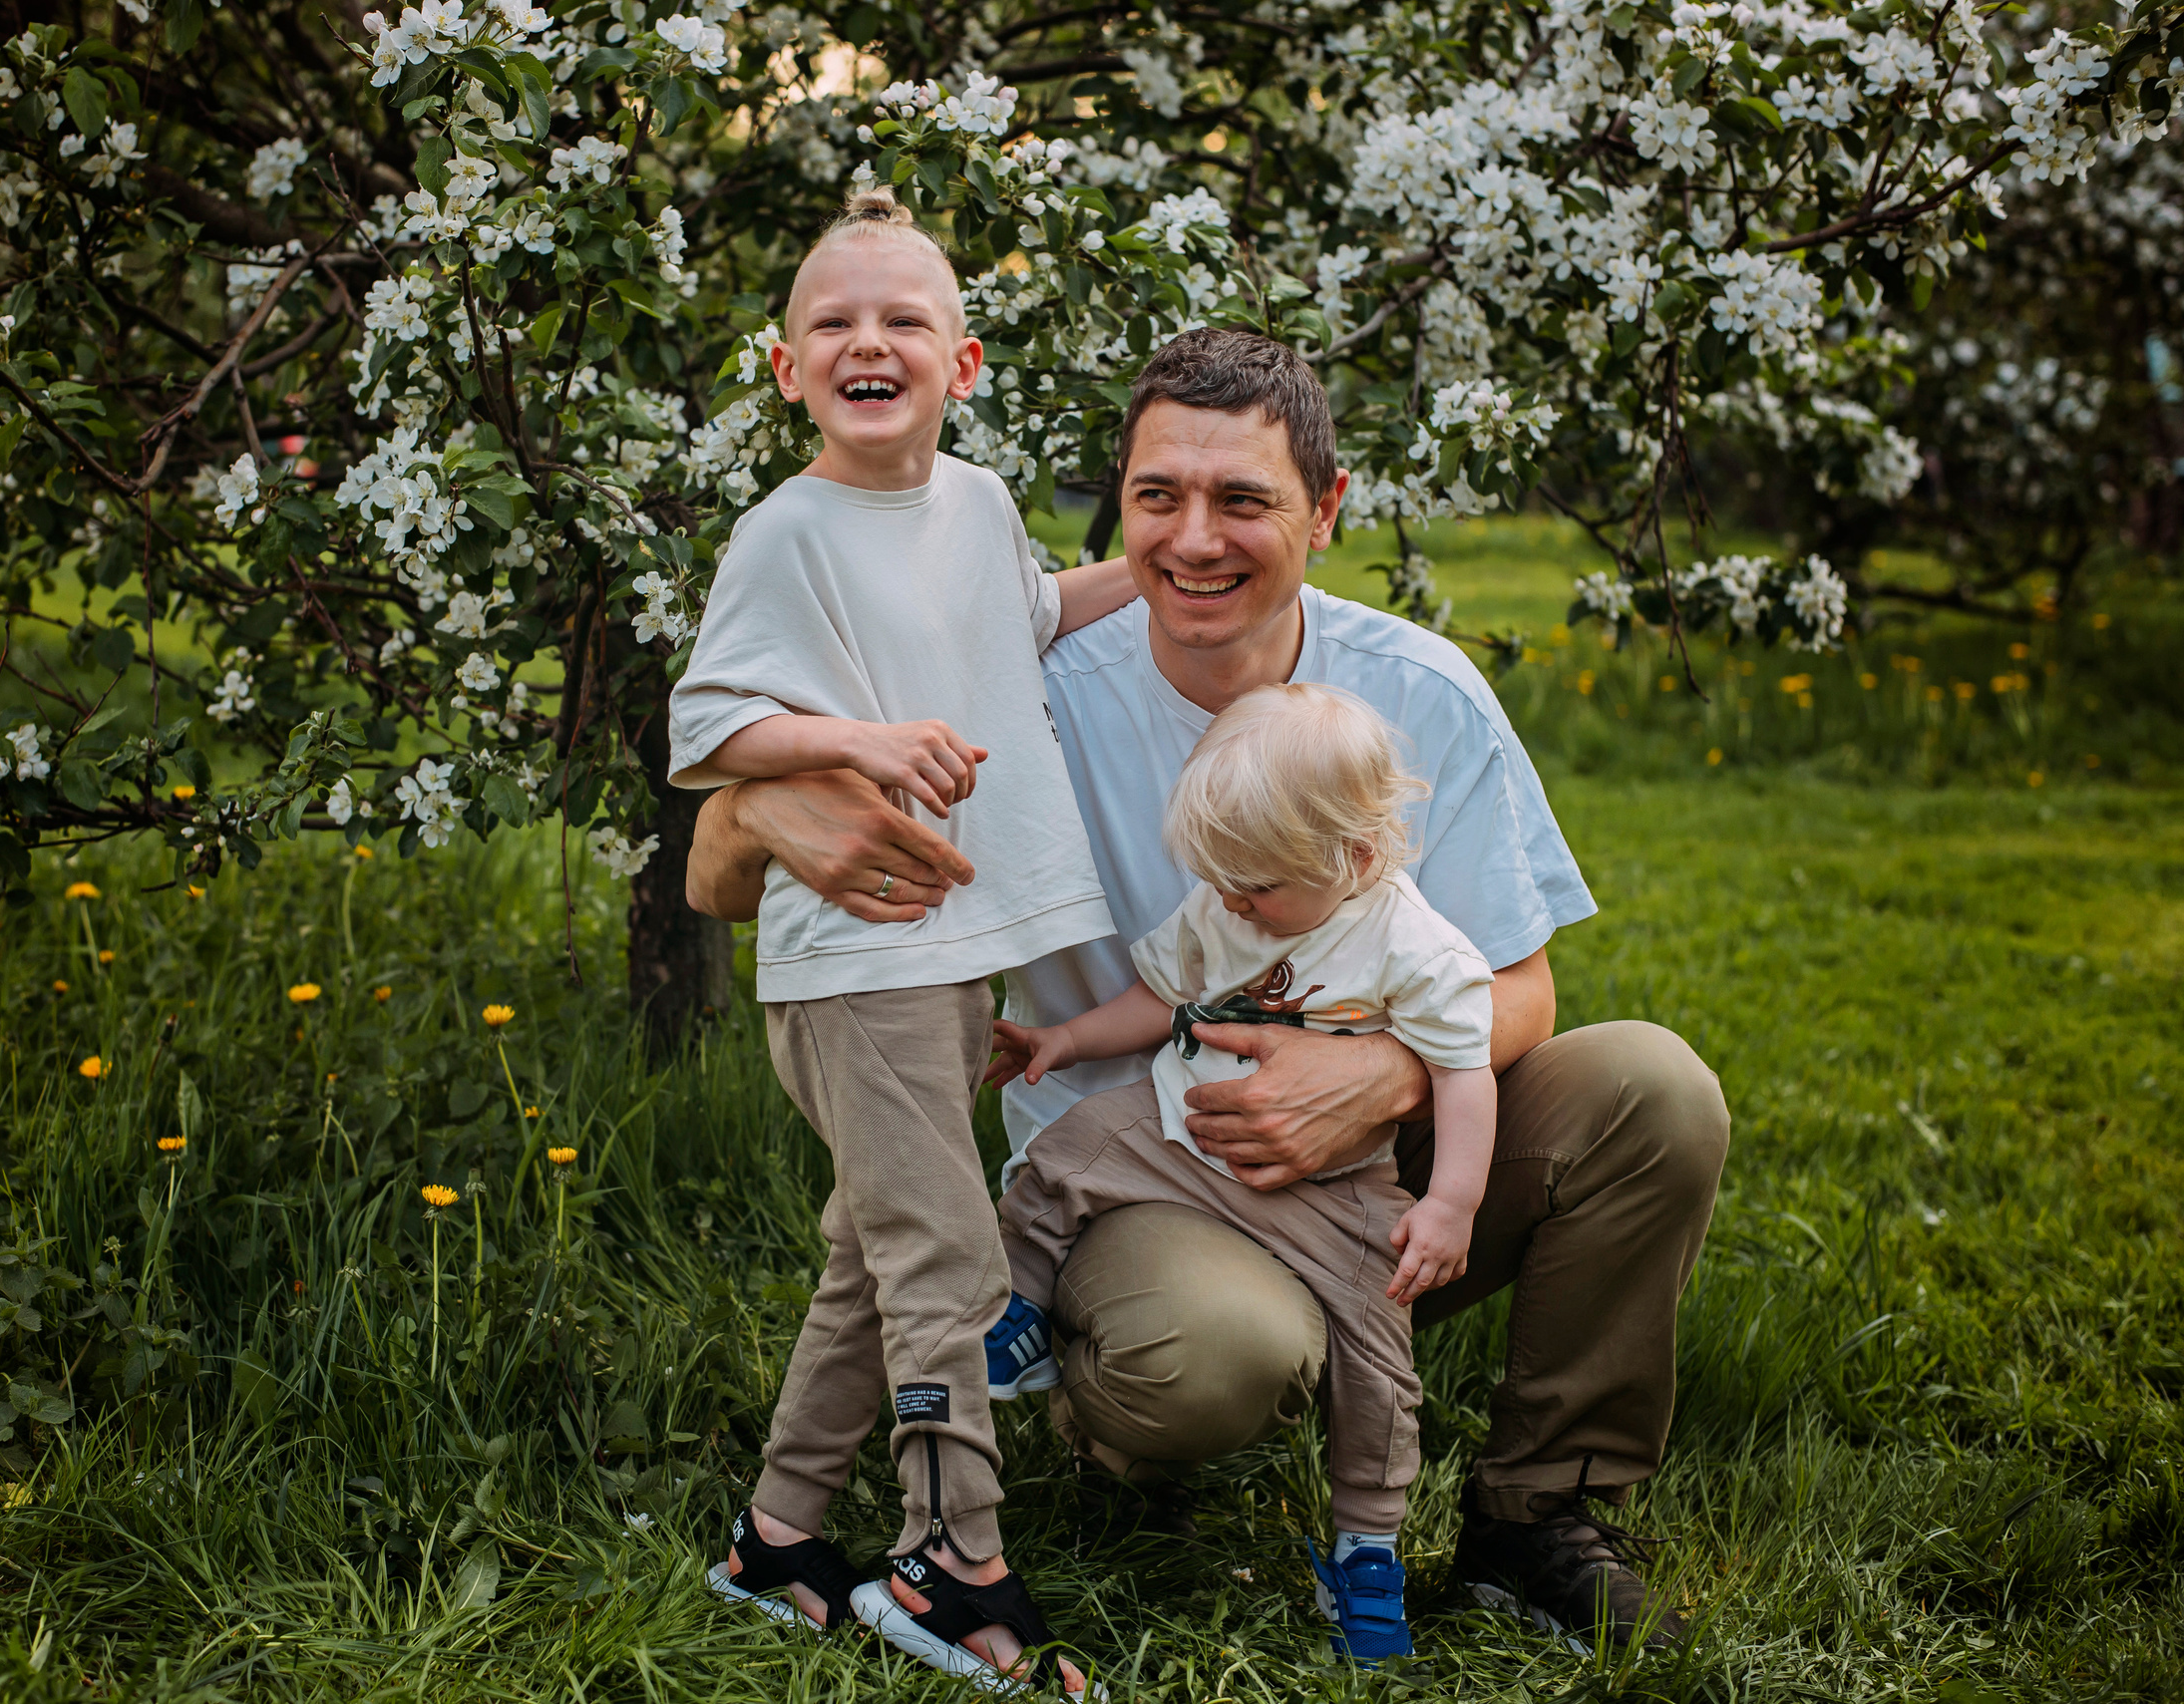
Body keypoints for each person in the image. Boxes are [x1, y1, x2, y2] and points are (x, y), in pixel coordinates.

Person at [686, 326, 1733, 1652]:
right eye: (1157, 495)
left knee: (1651, 1091)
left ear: (1325, 507)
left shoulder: (1414, 690)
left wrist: (1385, 1076)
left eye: (1243, 498)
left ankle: (1539, 1512)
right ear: (1118, 501)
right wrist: (762, 809)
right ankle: (1115, 1405)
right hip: (1138, 1172)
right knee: (1214, 1355)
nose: (1194, 539)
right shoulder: (1026, 698)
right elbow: (716, 876)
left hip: (1381, 1167)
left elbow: (1518, 987)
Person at [669, 186, 1133, 1694]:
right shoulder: (785, 532)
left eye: (903, 320)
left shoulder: (980, 502)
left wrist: (1170, 560)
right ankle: (951, 1558)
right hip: (856, 955)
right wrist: (857, 741)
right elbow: (709, 725)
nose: (868, 342)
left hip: (955, 948)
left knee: (874, 1254)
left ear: (963, 362)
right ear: (787, 368)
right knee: (943, 1249)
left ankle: (777, 1537)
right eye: (833, 323)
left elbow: (1027, 614)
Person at [986, 681, 1499, 1660]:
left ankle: (1366, 1548)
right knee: (1068, 1151)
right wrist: (1065, 1037)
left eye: (1255, 888)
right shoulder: (1229, 899)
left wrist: (1451, 1201)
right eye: (1218, 880)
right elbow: (1160, 996)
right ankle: (1017, 1313)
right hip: (1182, 1133)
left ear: (1355, 857)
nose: (1230, 902)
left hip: (1334, 1191)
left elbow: (1462, 1074)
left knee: (1382, 1358)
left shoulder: (1414, 946)